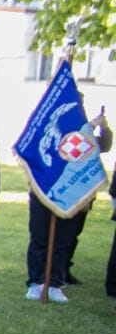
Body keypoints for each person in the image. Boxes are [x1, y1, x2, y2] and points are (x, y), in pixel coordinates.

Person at [25, 107, 111, 302]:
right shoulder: (47, 127)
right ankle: (36, 281)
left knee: (63, 241)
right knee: (40, 238)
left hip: (72, 194)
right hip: (43, 192)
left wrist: (103, 129)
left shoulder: (83, 133)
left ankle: (54, 283)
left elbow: (103, 146)